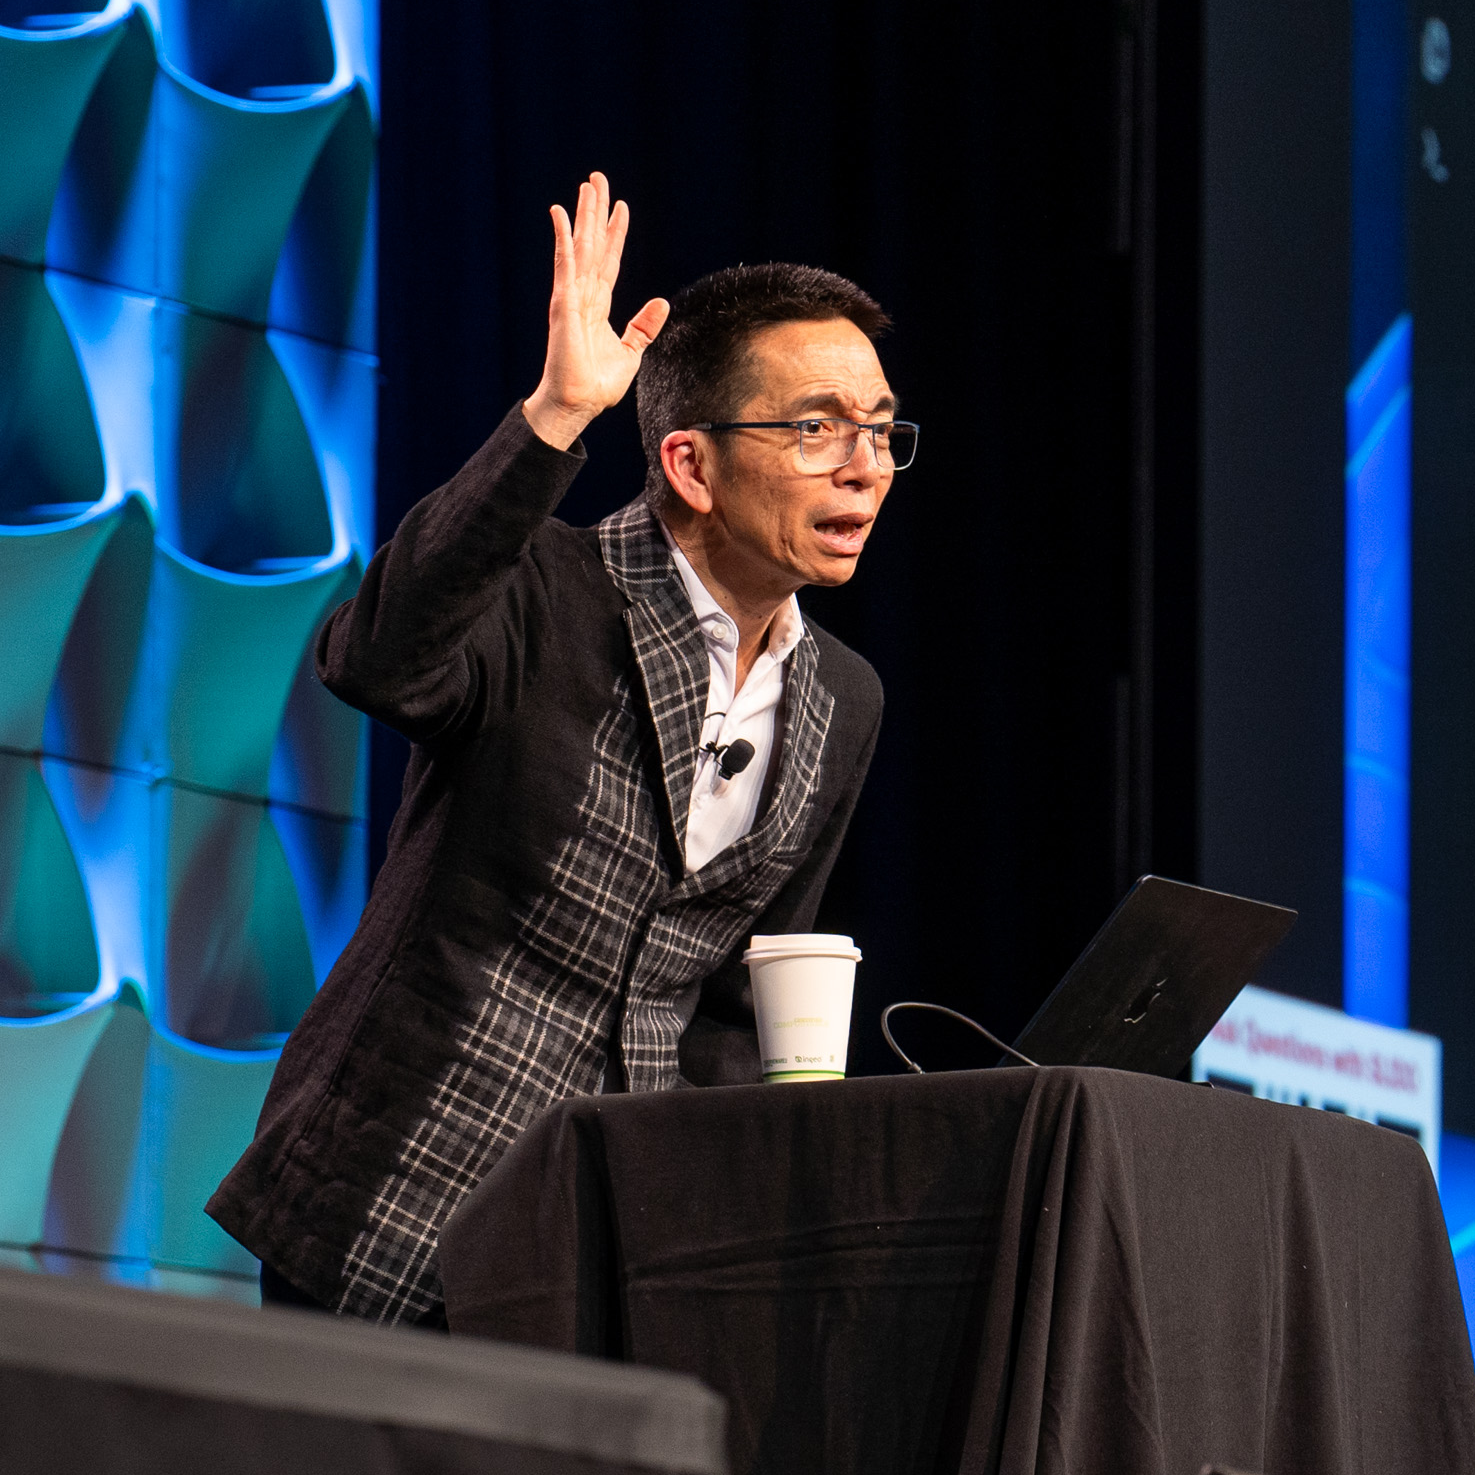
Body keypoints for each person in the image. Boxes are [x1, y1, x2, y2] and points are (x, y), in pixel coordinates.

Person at [207, 173, 916, 1325]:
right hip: (394, 1203)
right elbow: (373, 660)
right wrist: (551, 421)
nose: (864, 465)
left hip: (603, 1256)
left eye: (879, 429)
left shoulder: (843, 695)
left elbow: (740, 1002)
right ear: (689, 464)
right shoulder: (546, 586)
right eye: (815, 428)